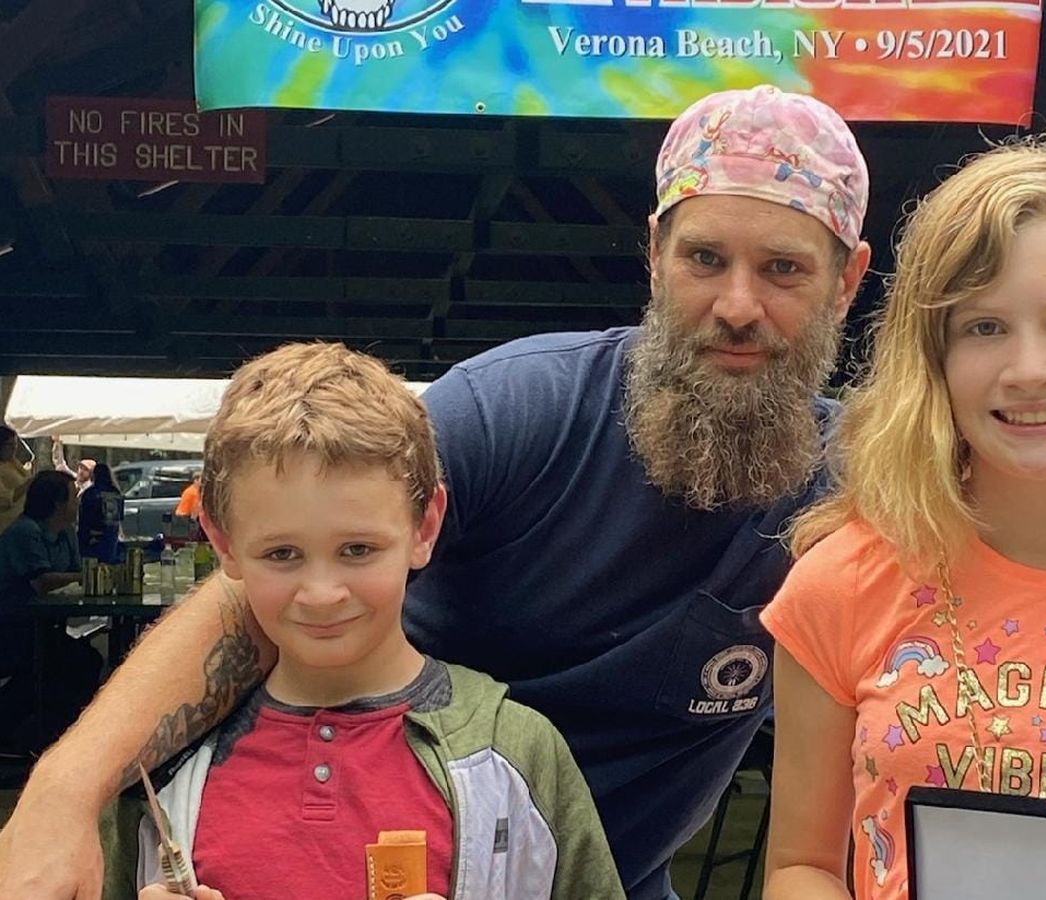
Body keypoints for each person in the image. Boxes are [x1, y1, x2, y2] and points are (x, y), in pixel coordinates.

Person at [0, 84, 872, 900]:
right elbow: (270, 581)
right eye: (705, 258)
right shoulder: (518, 409)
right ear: (654, 256)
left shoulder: (862, 485)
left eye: (783, 269)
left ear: (847, 281)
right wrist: (64, 790)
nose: (737, 305)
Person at [760, 135, 1046, 898]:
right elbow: (802, 866)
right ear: (934, 362)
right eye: (984, 328)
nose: (1030, 370)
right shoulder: (844, 582)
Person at [105, 342, 620, 900]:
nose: (322, 594)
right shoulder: (161, 768)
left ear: (425, 527)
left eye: (357, 549)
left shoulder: (517, 752)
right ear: (224, 543)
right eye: (282, 554)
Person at [0, 470, 103, 750]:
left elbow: (73, 573)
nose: (77, 502)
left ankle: (55, 731)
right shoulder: (25, 532)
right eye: (73, 497)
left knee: (85, 660)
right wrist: (86, 577)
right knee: (66, 662)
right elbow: (42, 580)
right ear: (58, 503)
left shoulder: (67, 533)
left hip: (46, 627)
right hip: (13, 628)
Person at [78, 462, 124, 563]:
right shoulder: (117, 494)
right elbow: (119, 518)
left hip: (93, 540)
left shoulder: (90, 494)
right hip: (111, 538)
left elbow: (84, 519)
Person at [0, 424, 33, 533]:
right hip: (7, 525)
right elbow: (4, 500)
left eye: (15, 444)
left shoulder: (13, 462)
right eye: (9, 445)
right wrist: (28, 483)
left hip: (23, 520)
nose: (14, 448)